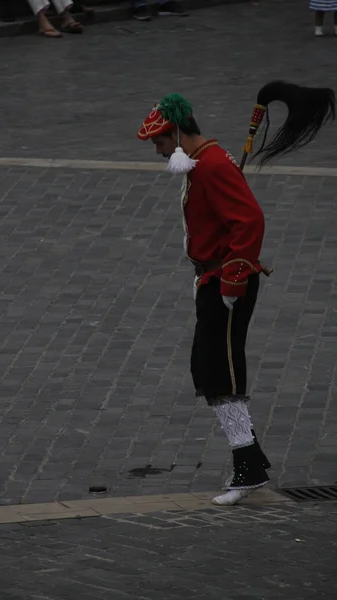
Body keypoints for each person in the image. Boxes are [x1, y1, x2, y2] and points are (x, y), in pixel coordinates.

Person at [137, 83, 335, 505]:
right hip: (212, 280)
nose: (156, 150)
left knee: (220, 371)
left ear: (175, 134)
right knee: (208, 369)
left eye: (159, 141)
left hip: (227, 284)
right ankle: (251, 458)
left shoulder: (211, 166)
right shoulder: (204, 161)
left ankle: (247, 467)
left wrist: (231, 281)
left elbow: (250, 222)